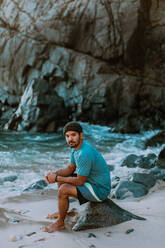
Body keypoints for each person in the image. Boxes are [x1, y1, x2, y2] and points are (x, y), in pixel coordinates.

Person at [44, 121, 111, 232]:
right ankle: (63, 212)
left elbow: (80, 181)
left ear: (81, 135)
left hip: (99, 190)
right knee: (62, 180)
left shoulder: (84, 153)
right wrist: (54, 174)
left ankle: (60, 223)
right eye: (67, 136)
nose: (70, 139)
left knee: (63, 189)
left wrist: (56, 178)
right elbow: (70, 168)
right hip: (91, 182)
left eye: (73, 135)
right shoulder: (75, 149)